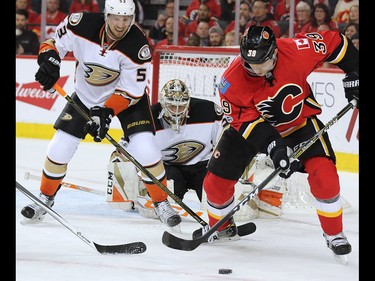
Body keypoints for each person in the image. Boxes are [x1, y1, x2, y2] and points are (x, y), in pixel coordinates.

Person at [195, 25, 358, 259]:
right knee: (215, 184)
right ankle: (221, 228)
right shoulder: (230, 82)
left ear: (275, 53)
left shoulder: (298, 50)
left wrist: (355, 71)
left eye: (263, 62)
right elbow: (249, 125)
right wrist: (276, 149)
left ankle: (334, 235)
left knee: (325, 176)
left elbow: (335, 42)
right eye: (250, 64)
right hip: (251, 129)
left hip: (298, 123)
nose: (257, 69)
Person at [20, 0, 182, 229]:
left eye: (126, 19)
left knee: (146, 149)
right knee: (58, 147)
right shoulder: (80, 24)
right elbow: (52, 43)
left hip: (127, 101)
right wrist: (49, 61)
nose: (121, 24)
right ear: (107, 16)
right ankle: (45, 198)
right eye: (116, 18)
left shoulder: (138, 46)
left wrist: (106, 112)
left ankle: (161, 202)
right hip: (86, 97)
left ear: (133, 19)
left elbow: (131, 92)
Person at [108, 79, 224, 210]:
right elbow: (123, 152)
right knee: (166, 199)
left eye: (181, 106)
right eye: (172, 106)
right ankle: (145, 189)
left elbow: (227, 142)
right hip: (168, 168)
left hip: (203, 165)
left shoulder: (209, 111)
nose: (177, 111)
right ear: (163, 103)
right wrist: (123, 182)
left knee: (217, 200)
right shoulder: (148, 117)